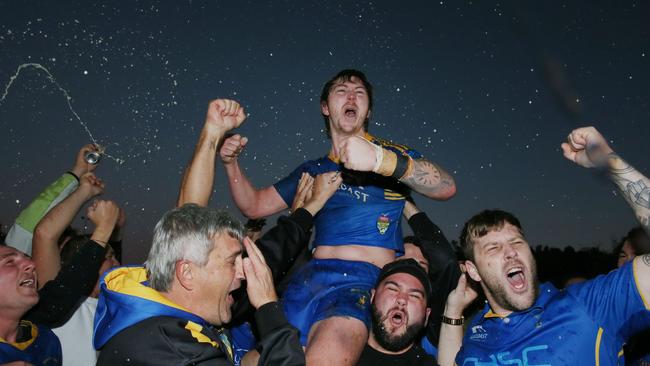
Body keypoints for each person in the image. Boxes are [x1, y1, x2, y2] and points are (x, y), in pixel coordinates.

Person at [218, 69, 456, 364]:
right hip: (308, 280)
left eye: (360, 92)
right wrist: (230, 164)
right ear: (325, 107)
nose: (352, 96)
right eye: (341, 90)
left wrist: (380, 161)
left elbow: (446, 187)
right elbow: (254, 206)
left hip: (359, 285)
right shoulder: (314, 168)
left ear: (367, 110)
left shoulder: (393, 155)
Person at [93, 203, 305, 365]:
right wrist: (269, 308)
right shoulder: (173, 348)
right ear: (187, 273)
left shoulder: (163, 328)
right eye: (232, 261)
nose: (242, 273)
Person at [436, 208, 650, 365]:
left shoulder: (586, 306)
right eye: (494, 248)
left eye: (517, 242)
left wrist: (610, 161)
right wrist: (452, 309)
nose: (511, 252)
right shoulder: (477, 332)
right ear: (473, 271)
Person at [0, 199, 119, 365]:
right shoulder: (65, 307)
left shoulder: (45, 340)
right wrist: (104, 227)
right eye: (9, 262)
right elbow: (45, 236)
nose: (30, 264)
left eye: (27, 258)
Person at [31, 172, 122, 366]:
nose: (117, 265)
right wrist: (84, 191)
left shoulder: (114, 309)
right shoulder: (58, 298)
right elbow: (44, 235)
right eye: (109, 258)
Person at [6, 144, 101, 255]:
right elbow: (32, 225)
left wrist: (79, 174)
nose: (24, 264)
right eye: (9, 262)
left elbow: (33, 221)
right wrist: (80, 176)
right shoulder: (19, 253)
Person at [357, 258, 437, 365]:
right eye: (393, 289)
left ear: (426, 316)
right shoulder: (337, 350)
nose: (402, 299)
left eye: (414, 296)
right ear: (372, 297)